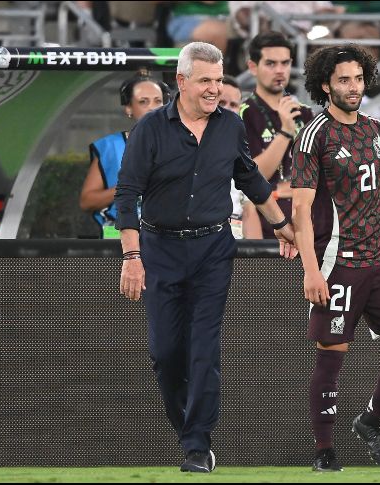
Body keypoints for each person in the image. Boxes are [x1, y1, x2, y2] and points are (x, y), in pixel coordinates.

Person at [115, 42, 298, 473]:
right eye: (205, 81)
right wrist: (131, 256)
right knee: (166, 354)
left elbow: (250, 178)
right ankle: (188, 432)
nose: (214, 89)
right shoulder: (151, 130)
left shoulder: (230, 126)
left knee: (203, 349)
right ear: (181, 82)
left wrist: (279, 225)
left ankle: (198, 444)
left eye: (218, 80)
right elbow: (127, 194)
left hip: (213, 249)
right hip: (159, 249)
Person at [292, 44, 380, 472]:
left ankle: (370, 421)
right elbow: (299, 210)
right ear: (325, 85)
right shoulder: (316, 133)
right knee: (332, 354)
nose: (353, 87)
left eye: (358, 78)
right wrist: (311, 271)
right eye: (344, 80)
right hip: (338, 262)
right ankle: (324, 452)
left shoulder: (376, 129)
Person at [239, 31, 314, 238]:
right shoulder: (244, 113)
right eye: (271, 64)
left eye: (285, 63)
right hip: (265, 227)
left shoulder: (305, 112)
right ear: (253, 67)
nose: (280, 71)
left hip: (306, 226)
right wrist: (285, 131)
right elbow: (253, 175)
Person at [79, 73, 169, 238]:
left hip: (168, 241)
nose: (153, 108)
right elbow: (87, 201)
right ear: (128, 109)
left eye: (158, 101)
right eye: (143, 102)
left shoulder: (183, 143)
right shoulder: (111, 147)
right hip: (119, 242)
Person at [219, 74, 262, 239]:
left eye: (233, 104)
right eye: (222, 103)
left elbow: (249, 211)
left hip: (236, 247)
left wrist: (257, 262)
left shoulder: (242, 151)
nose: (228, 109)